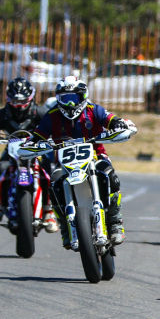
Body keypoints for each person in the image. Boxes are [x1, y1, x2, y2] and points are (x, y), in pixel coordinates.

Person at [35, 75, 133, 246]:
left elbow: (111, 119)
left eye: (74, 98)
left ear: (83, 96)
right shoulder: (52, 115)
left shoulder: (94, 110)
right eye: (65, 98)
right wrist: (33, 142)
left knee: (111, 177)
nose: (70, 103)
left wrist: (118, 124)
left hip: (96, 155)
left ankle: (115, 222)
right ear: (58, 99)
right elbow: (38, 135)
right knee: (54, 184)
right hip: (65, 162)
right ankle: (65, 227)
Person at [0, 78, 45, 224]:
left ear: (31, 98)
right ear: (8, 99)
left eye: (23, 101)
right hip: (12, 151)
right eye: (15, 101)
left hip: (37, 151)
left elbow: (55, 128)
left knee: (50, 170)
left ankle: (50, 209)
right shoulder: (1, 114)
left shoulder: (41, 112)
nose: (19, 106)